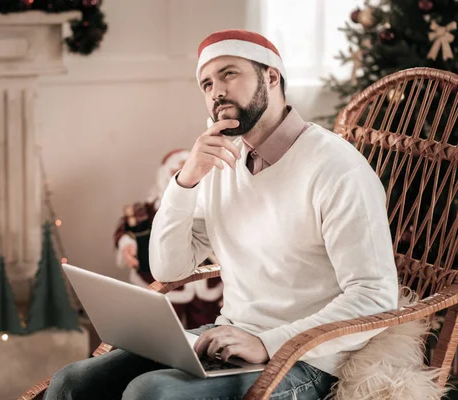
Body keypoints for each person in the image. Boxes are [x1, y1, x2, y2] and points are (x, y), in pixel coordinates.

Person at [44, 29, 399, 400]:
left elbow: (375, 295)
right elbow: (168, 269)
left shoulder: (336, 168)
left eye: (229, 74)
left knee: (150, 393)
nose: (216, 91)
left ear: (271, 77)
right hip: (227, 339)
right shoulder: (219, 162)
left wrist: (266, 341)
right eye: (206, 83)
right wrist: (185, 182)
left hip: (310, 362)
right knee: (72, 383)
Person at [113, 149, 223, 329]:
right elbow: (125, 228)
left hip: (204, 284)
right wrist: (127, 244)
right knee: (163, 329)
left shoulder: (210, 201)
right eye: (176, 172)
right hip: (165, 288)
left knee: (205, 330)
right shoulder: (146, 210)